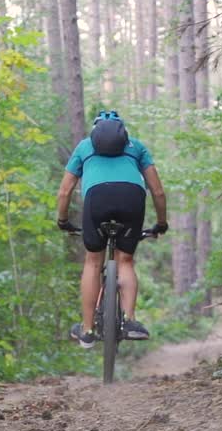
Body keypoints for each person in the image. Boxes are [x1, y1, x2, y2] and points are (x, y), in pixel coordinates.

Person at [55, 110, 168, 347]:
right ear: (122, 131)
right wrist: (161, 222)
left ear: (95, 130)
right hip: (132, 199)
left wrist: (63, 220)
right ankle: (129, 321)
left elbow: (65, 191)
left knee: (93, 262)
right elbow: (157, 191)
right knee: (125, 261)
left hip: (97, 199)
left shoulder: (84, 147)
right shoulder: (136, 146)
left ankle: (87, 331)